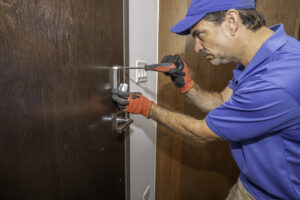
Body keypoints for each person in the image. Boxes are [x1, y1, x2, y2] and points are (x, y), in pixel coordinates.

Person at [112, 0, 300, 199]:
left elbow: (201, 132)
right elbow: (221, 101)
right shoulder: (256, 58)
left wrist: (146, 107)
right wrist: (186, 84)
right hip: (251, 183)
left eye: (199, 35)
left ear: (231, 21)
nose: (197, 48)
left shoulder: (277, 80)